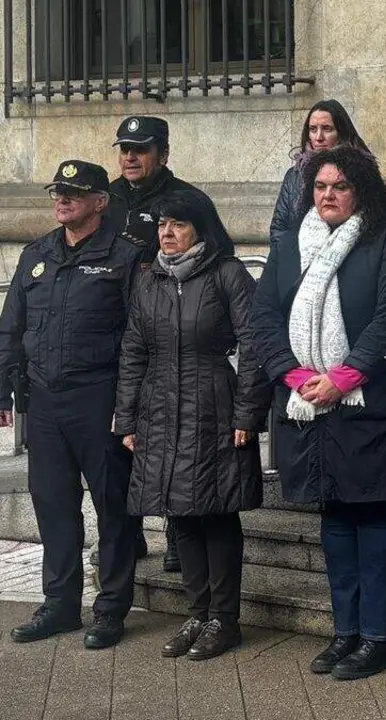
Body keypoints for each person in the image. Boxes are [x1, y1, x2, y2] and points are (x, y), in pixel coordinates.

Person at [249, 146, 386, 681]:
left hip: (374, 409)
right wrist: (295, 376)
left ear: (362, 191)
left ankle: (381, 635)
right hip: (312, 407)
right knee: (334, 520)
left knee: (376, 518)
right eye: (320, 187)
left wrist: (346, 375)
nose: (328, 195)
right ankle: (346, 631)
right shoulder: (290, 244)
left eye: (340, 187)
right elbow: (263, 318)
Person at [114, 190, 270, 661]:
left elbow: (255, 345)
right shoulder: (150, 280)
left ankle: (225, 619)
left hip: (213, 405)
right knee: (179, 512)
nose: (167, 232)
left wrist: (247, 413)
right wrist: (127, 417)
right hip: (160, 409)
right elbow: (133, 352)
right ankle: (198, 613)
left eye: (178, 224)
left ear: (201, 229)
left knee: (216, 513)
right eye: (162, 224)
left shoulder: (227, 274)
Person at [0, 160, 144, 649]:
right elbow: (11, 327)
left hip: (98, 398)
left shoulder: (125, 257)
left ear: (100, 202)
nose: (62, 200)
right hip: (44, 400)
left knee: (112, 506)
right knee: (53, 504)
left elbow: (138, 338)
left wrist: (129, 405)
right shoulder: (37, 253)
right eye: (58, 192)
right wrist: (2, 389)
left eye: (74, 193)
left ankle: (111, 609)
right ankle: (60, 605)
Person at [108, 114, 227, 573]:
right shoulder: (105, 199)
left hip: (172, 339)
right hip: (115, 338)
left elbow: (220, 260)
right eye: (124, 149)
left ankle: (179, 531)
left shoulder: (189, 201)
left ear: (163, 153)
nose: (130, 157)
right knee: (121, 442)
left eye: (140, 149)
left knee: (173, 438)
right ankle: (129, 535)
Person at [270, 99, 372, 251]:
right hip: (298, 258)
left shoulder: (362, 171)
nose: (319, 137)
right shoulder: (294, 176)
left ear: (341, 132)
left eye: (327, 129)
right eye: (313, 129)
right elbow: (279, 228)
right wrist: (286, 259)